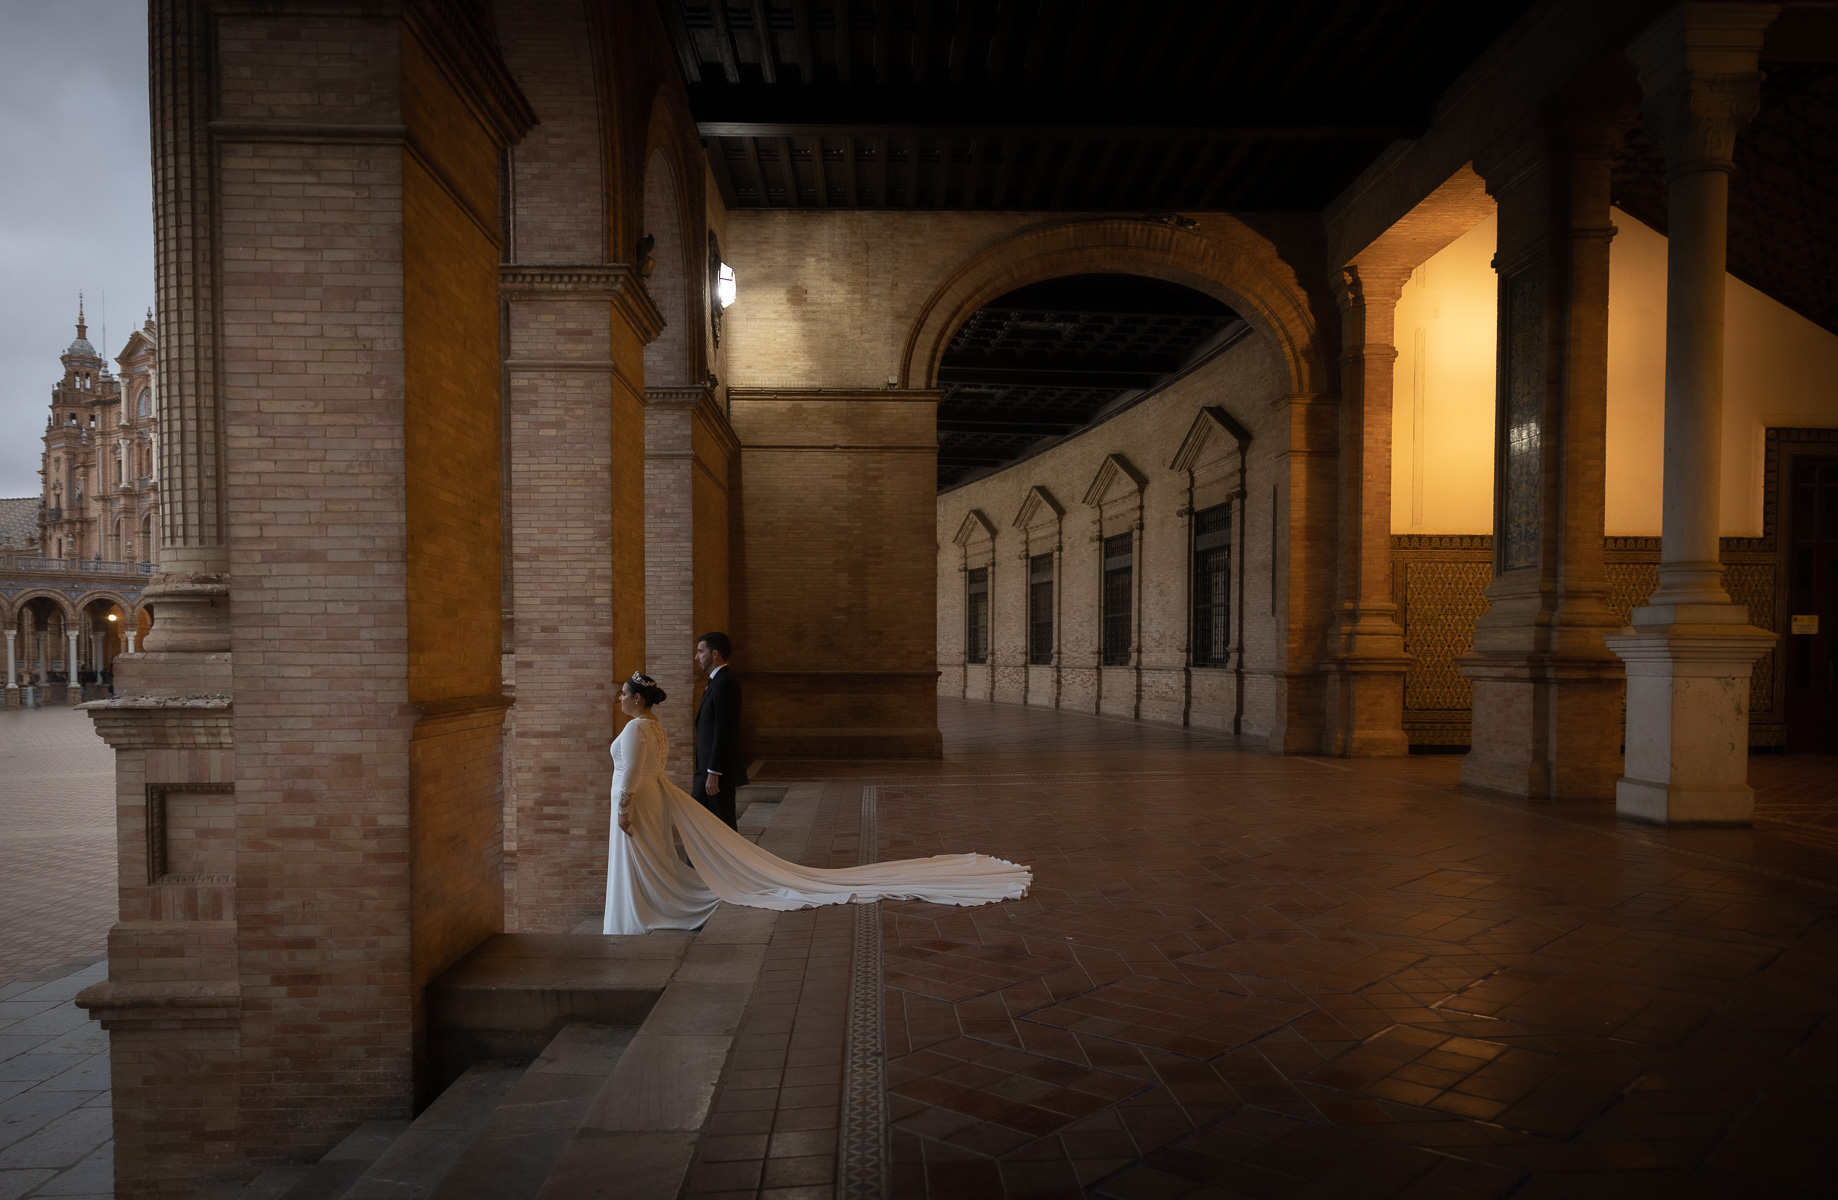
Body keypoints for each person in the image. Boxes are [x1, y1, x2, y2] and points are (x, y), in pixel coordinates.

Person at [603, 671, 1030, 935]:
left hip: (638, 803)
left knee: (645, 857)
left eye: (623, 693)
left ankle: (648, 909)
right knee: (651, 856)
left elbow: (634, 773)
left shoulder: (638, 729)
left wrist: (623, 809)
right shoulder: (652, 725)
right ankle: (648, 904)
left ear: (637, 698)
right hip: (650, 799)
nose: (618, 699)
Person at [691, 631, 745, 829]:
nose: (697, 656)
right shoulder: (715, 681)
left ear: (715, 654)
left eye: (700, 651)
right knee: (696, 823)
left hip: (716, 773)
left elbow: (724, 730)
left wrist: (714, 772)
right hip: (705, 771)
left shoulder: (725, 683)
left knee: (724, 828)